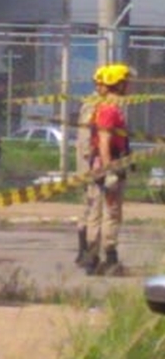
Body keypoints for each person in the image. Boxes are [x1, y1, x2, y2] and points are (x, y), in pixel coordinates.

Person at [84, 63, 132, 277]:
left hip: (100, 166)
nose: (128, 85)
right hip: (107, 166)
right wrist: (110, 170)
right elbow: (104, 142)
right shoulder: (110, 110)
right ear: (118, 84)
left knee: (95, 212)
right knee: (110, 213)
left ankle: (92, 260)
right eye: (125, 81)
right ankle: (109, 259)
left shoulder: (105, 107)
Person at [74, 67, 106, 266]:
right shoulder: (94, 104)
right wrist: (91, 160)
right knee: (92, 207)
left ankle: (85, 253)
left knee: (90, 207)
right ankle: (86, 254)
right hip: (91, 164)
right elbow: (86, 135)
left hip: (91, 162)